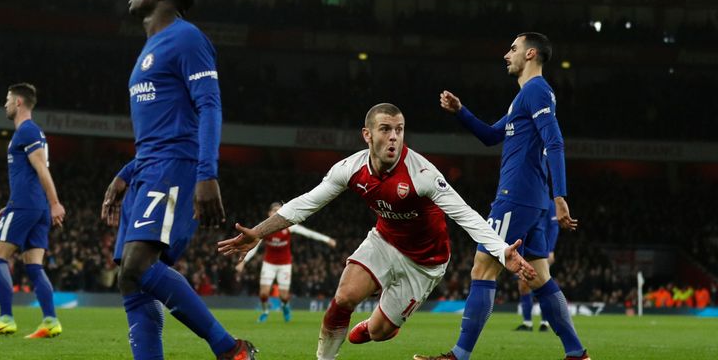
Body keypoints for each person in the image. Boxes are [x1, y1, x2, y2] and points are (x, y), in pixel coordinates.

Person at [218, 103, 535, 360]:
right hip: (384, 240)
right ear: (367, 135)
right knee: (343, 297)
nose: (394, 137)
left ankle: (376, 326)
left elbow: (465, 214)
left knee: (379, 332)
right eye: (386, 129)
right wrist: (258, 232)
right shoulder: (350, 168)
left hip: (425, 263)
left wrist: (500, 249)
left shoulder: (422, 173)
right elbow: (305, 204)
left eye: (399, 130)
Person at [99, 0, 256, 360]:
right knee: (130, 280)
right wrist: (125, 173)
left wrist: (207, 174)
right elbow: (165, 125)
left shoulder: (187, 39)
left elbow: (209, 106)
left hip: (176, 166)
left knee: (137, 266)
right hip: (147, 168)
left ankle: (230, 349)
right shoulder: (150, 48)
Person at [414, 33, 590, 360]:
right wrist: (461, 111)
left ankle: (460, 355)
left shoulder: (536, 91)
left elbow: (555, 142)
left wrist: (561, 197)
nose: (506, 55)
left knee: (483, 269)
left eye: (513, 49)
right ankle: (576, 353)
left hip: (517, 196)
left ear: (531, 54)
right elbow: (491, 136)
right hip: (532, 200)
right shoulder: (525, 97)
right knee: (539, 277)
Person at [0, 83, 66, 338]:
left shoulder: (27, 131)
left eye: (7, 99)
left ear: (18, 102)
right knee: (33, 265)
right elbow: (30, 174)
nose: (4, 104)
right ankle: (50, 321)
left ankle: (6, 318)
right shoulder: (30, 133)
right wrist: (12, 204)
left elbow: (42, 169)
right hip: (32, 205)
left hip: (29, 205)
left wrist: (55, 202)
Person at [236, 201, 337, 323]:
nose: (277, 212)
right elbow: (254, 247)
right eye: (274, 210)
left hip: (285, 265)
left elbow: (309, 233)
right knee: (263, 294)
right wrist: (243, 261)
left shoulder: (289, 226)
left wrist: (327, 239)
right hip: (269, 264)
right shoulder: (263, 229)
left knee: (284, 297)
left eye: (279, 210)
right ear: (269, 213)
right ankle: (265, 312)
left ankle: (285, 306)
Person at [514, 199, 558, 332]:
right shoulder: (524, 199)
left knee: (542, 282)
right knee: (523, 284)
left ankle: (545, 322)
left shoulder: (549, 203)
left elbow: (554, 226)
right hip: (523, 244)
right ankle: (527, 323)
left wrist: (550, 249)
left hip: (540, 245)